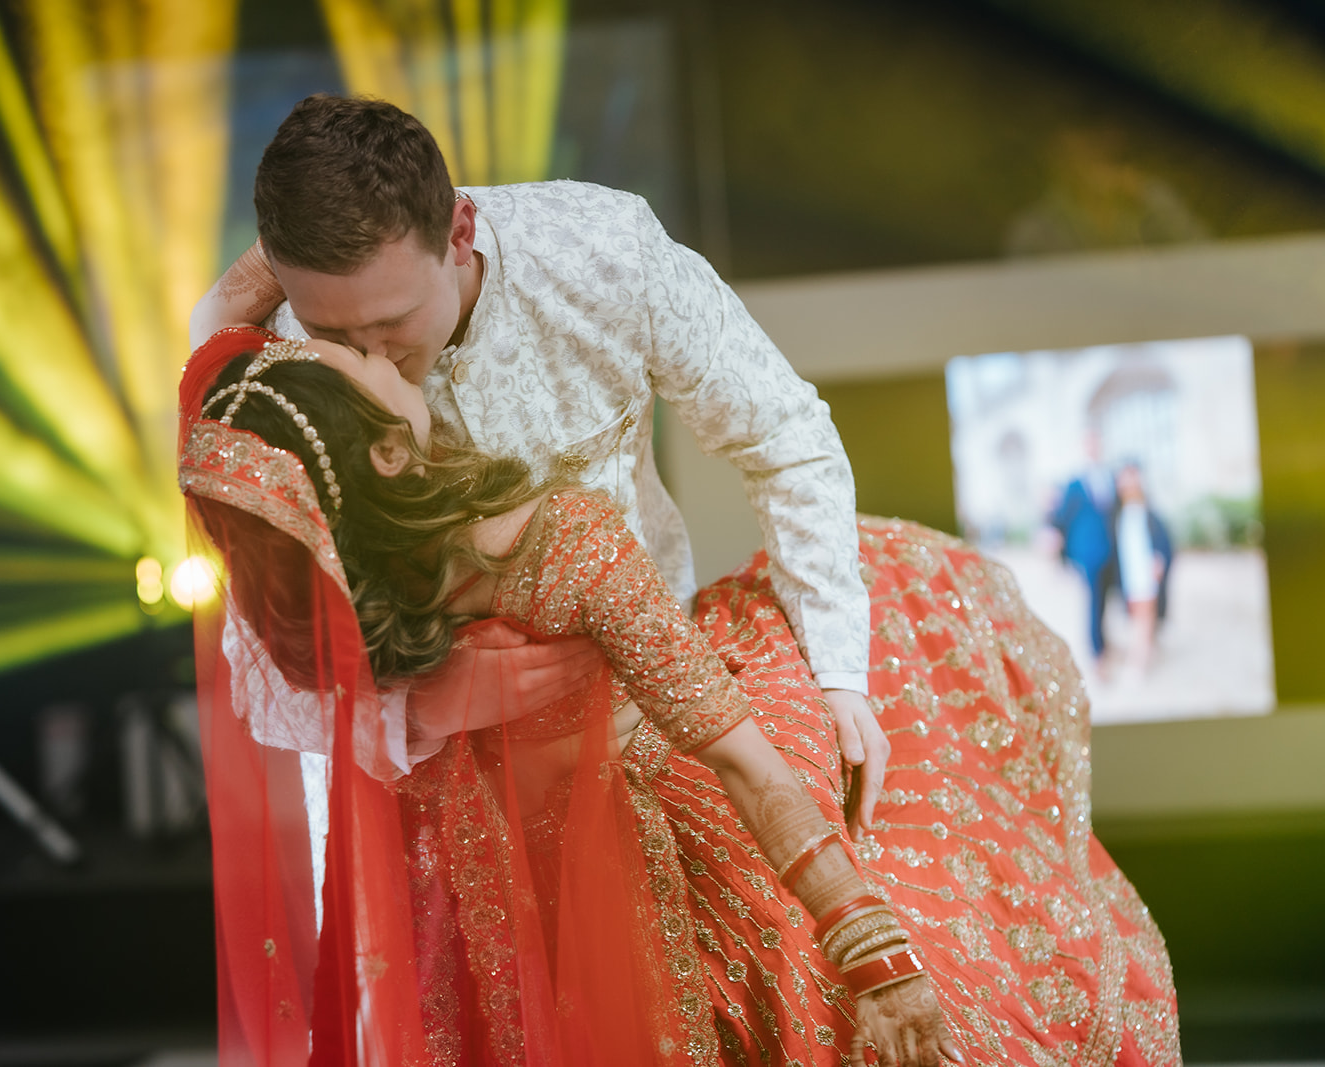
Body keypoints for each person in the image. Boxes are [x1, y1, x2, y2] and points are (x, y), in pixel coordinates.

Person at [179, 325, 1181, 1067]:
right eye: (357, 365)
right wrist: (876, 949)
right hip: (659, 833)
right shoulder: (559, 541)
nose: (374, 350)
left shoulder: (331, 616)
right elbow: (738, 756)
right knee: (906, 591)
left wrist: (415, 714)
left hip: (480, 905)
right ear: (388, 453)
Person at [189, 94, 891, 833]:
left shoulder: (604, 252)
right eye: (333, 331)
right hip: (417, 792)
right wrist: (413, 709)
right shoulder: (275, 363)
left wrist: (839, 674)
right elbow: (264, 658)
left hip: (650, 720)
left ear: (459, 233)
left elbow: (784, 433)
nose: (371, 360)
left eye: (393, 322)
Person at [1050, 430, 1116, 664]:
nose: (1094, 448)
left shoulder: (1110, 477)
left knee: (1107, 599)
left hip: (1112, 551)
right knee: (1094, 601)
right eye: (1090, 444)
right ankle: (1097, 652)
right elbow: (1061, 516)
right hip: (1088, 554)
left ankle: (1105, 641)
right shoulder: (1075, 483)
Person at [1111, 463, 1174, 675]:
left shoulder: (1149, 513)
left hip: (1146, 573)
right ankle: (1146, 652)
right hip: (1129, 574)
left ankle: (1138, 662)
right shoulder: (1118, 515)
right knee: (1137, 617)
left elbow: (1163, 542)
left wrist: (1159, 560)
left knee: (1144, 618)